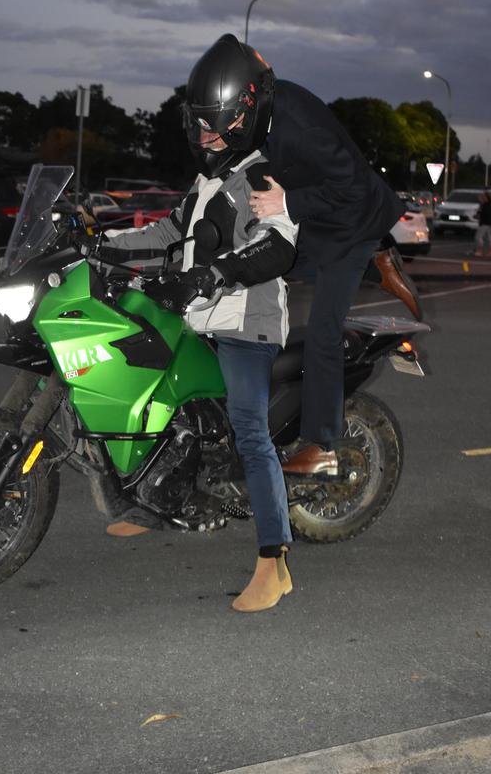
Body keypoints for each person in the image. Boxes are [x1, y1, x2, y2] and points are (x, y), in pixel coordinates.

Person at [101, 47, 298, 613]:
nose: (207, 134)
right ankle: (155, 501)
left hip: (245, 326)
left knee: (248, 428)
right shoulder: (209, 177)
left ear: (247, 115)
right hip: (197, 317)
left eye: (220, 123)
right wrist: (99, 243)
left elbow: (279, 244)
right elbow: (168, 231)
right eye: (201, 123)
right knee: (146, 387)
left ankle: (273, 562)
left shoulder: (260, 175)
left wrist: (219, 272)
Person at [186, 34, 421, 480]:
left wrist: (288, 204)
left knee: (324, 334)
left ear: (250, 101)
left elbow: (350, 191)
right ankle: (379, 262)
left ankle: (322, 445)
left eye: (222, 125)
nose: (213, 135)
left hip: (351, 222)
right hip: (316, 210)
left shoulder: (301, 125)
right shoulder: (254, 116)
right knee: (264, 261)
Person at [474, 189, 491, 257]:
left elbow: (485, 213)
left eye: (483, 197)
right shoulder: (488, 204)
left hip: (485, 222)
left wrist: (479, 213)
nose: (482, 198)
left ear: (487, 197)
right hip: (488, 222)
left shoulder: (487, 204)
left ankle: (479, 250)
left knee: (478, 237)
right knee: (488, 237)